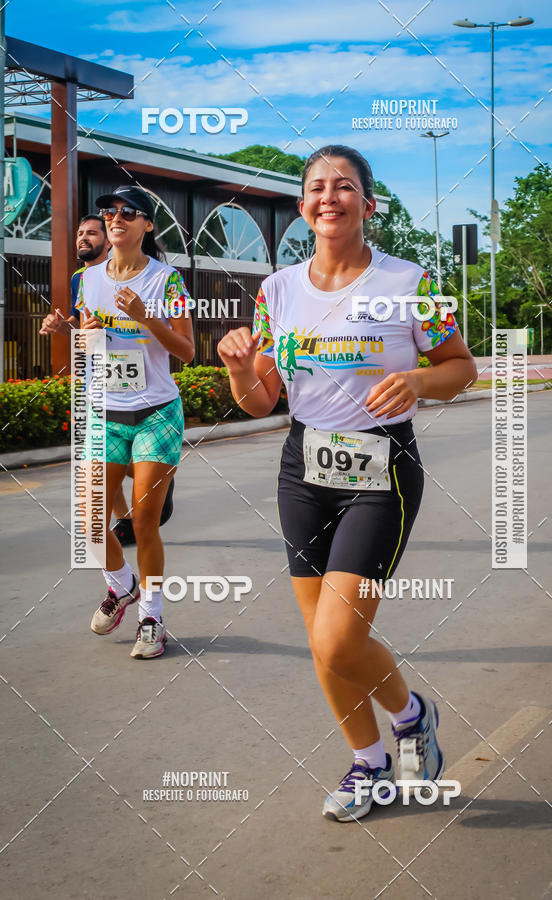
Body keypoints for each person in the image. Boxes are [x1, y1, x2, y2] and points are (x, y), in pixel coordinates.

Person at [218, 146, 477, 821]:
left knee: (338, 639)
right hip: (303, 467)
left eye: (344, 187)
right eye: (315, 188)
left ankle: (412, 715)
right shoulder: (277, 290)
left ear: (368, 203)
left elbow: (461, 367)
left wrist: (419, 379)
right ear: (302, 206)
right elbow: (261, 399)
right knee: (324, 644)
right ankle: (370, 765)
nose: (328, 197)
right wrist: (242, 370)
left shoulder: (411, 282)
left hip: (379, 469)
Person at [79, 185, 194, 659]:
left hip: (156, 412)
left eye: (130, 212)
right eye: (110, 211)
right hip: (106, 409)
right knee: (89, 521)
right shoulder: (85, 280)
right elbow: (87, 353)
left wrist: (146, 318)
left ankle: (152, 616)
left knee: (144, 520)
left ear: (148, 225)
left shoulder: (168, 282)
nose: (116, 217)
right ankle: (121, 585)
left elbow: (187, 352)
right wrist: (80, 337)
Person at [39, 214, 175, 546]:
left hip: (144, 387)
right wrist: (64, 329)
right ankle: (125, 518)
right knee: (95, 458)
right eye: (79, 233)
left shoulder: (148, 276)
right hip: (97, 381)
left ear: (109, 239)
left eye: (91, 233)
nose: (83, 238)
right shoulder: (81, 279)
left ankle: (156, 473)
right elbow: (84, 330)